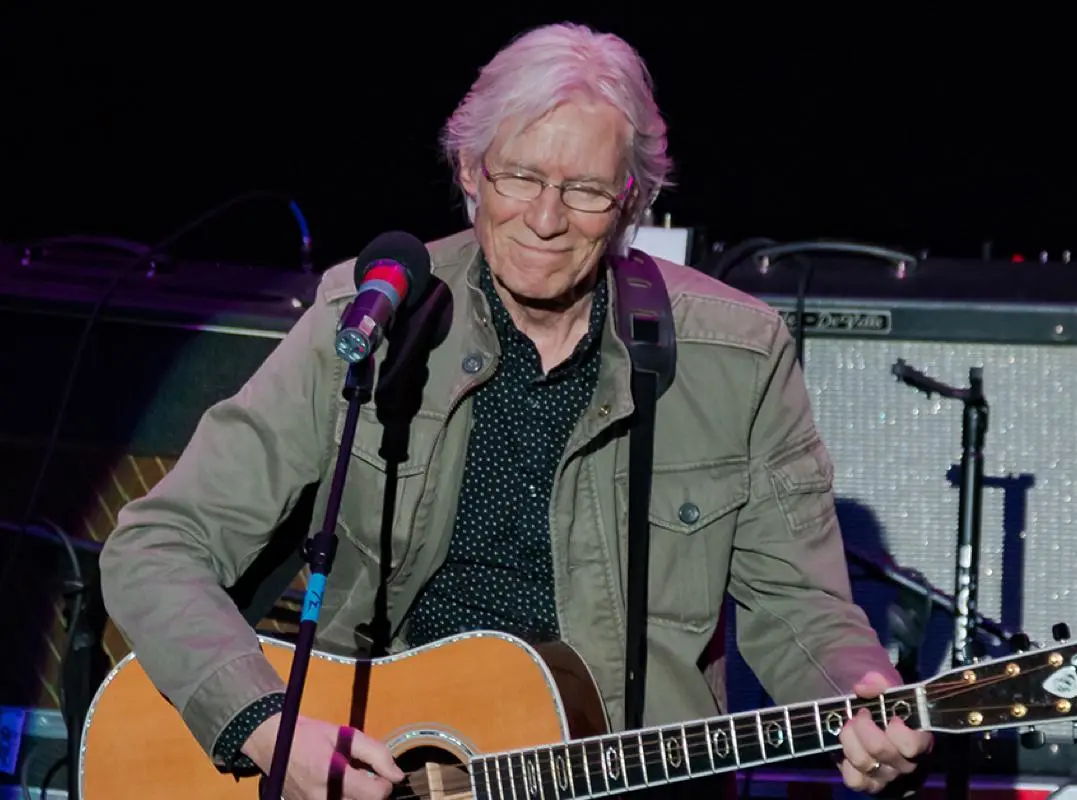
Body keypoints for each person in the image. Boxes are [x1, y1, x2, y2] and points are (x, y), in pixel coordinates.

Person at [99, 21, 932, 800]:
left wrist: (859, 690)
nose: (544, 218)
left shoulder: (737, 359)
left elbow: (799, 604)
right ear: (470, 171)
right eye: (522, 176)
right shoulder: (374, 315)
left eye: (585, 191)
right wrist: (264, 725)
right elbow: (156, 544)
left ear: (633, 199)